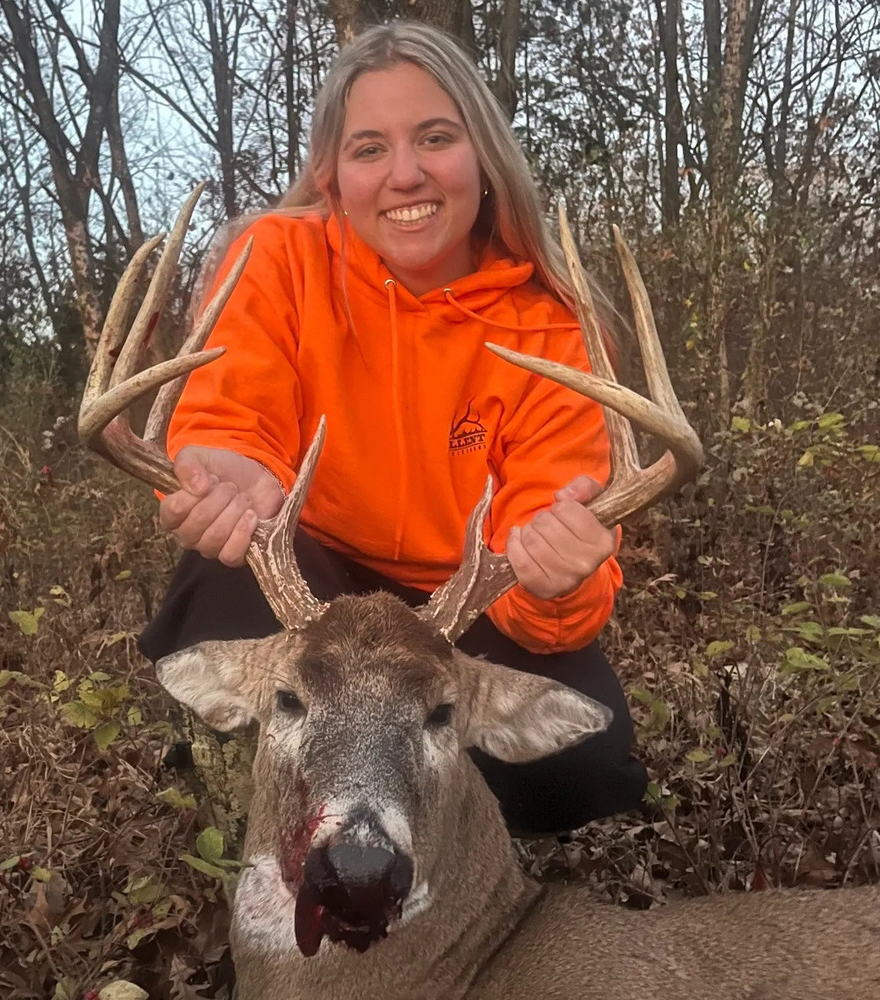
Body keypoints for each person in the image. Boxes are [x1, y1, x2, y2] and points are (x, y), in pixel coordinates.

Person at [138, 19, 647, 836]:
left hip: (463, 605)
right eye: (368, 148)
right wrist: (225, 468)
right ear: (332, 175)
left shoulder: (552, 330)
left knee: (581, 766)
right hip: (316, 582)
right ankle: (268, 826)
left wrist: (557, 580)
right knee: (222, 578)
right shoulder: (275, 259)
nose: (404, 174)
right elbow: (234, 408)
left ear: (481, 157)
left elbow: (549, 533)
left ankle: (435, 850)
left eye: (435, 139)